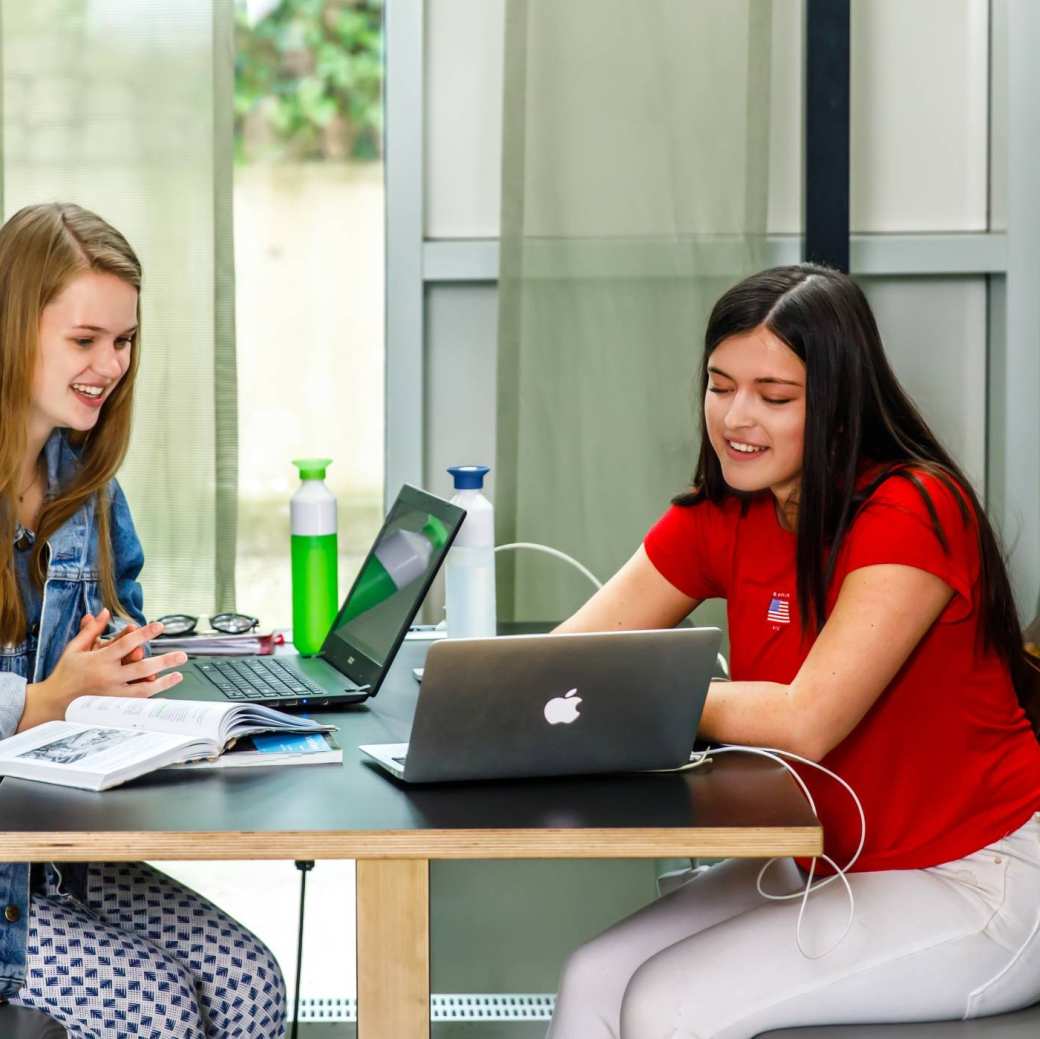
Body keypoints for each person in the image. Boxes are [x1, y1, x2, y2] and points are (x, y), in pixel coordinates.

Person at [548, 264, 1040, 1038]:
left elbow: (808, 719)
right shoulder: (726, 512)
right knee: (591, 981)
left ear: (839, 408)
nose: (737, 417)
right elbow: (564, 660)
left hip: (973, 877)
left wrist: (639, 693)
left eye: (775, 397)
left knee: (664, 1006)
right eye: (720, 385)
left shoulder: (913, 509)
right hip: (824, 860)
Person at [0, 203, 287, 1039]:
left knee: (249, 979)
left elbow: (118, 625)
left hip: (49, 852)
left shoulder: (82, 482)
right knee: (157, 1006)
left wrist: (145, 672)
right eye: (84, 341)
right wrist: (47, 700)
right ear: (16, 327)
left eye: (122, 342)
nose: (109, 366)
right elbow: (51, 695)